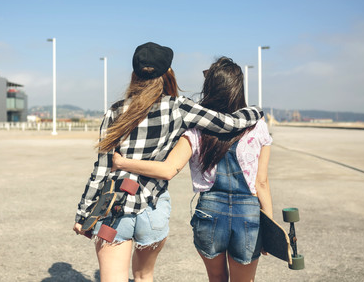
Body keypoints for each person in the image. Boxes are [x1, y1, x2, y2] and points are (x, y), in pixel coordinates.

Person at [73, 43, 264, 282]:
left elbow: (101, 169)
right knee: (144, 276)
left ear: (135, 75)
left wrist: (83, 214)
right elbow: (229, 123)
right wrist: (256, 111)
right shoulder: (179, 107)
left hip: (114, 207)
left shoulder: (114, 112)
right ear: (167, 74)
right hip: (152, 208)